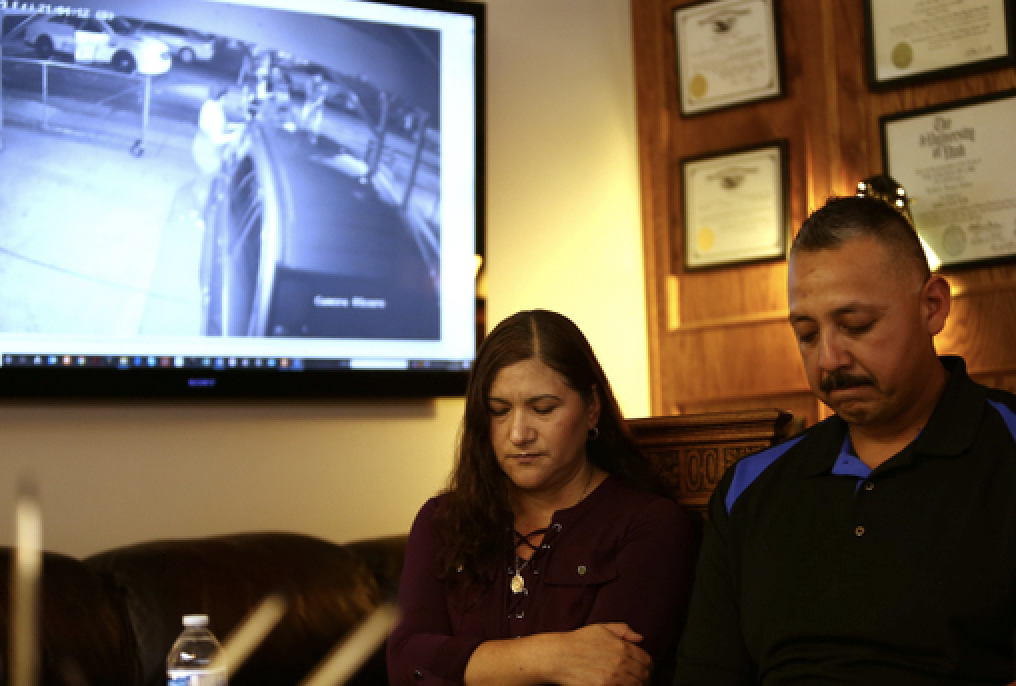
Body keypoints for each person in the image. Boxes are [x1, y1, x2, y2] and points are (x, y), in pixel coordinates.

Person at [674, 180, 1016, 684]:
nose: (829, 358)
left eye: (855, 324)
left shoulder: (1004, 450)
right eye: (807, 335)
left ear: (933, 307)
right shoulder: (751, 488)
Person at [388, 309, 697, 686]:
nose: (518, 433)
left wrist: (468, 666)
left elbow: (610, 671)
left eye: (543, 409)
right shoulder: (442, 520)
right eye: (499, 411)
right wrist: (552, 656)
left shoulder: (649, 524)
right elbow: (406, 663)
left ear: (592, 408)